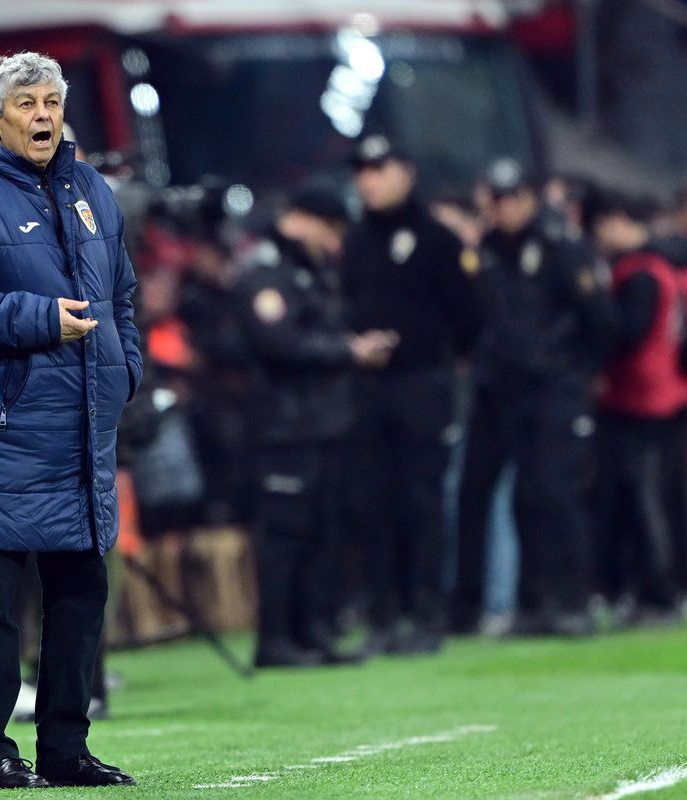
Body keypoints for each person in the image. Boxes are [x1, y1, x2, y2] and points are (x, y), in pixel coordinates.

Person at [0, 52, 141, 790]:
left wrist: (122, 369)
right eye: (26, 104)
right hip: (3, 429)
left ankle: (66, 749)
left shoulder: (88, 188)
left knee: (79, 594)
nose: (43, 115)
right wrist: (42, 319)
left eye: (51, 101)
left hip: (80, 428)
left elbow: (124, 297)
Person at [237, 187, 396, 667]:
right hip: (285, 428)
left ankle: (315, 632)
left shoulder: (311, 273)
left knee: (323, 532)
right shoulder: (265, 275)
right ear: (301, 220)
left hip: (325, 423)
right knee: (285, 534)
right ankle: (277, 639)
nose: (334, 244)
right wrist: (349, 352)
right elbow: (279, 344)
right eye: (329, 231)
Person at [454, 159, 613, 637]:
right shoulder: (487, 250)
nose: (502, 208)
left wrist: (579, 372)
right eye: (495, 198)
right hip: (505, 391)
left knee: (556, 495)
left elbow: (601, 321)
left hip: (555, 389)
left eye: (511, 197)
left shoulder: (562, 246)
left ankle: (572, 600)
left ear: (530, 197)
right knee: (522, 497)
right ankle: (532, 600)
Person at [342, 135, 482, 654]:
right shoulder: (355, 241)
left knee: (423, 501)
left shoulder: (440, 240)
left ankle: (427, 615)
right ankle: (382, 616)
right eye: (362, 170)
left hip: (422, 383)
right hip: (368, 388)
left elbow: (470, 317)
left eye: (379, 168)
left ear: (407, 172)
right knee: (371, 503)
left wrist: (430, 353)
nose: (368, 180)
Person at [585, 188, 686, 621]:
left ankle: (659, 591)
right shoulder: (667, 265)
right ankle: (648, 589)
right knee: (647, 498)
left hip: (642, 398)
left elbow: (627, 334)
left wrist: (592, 314)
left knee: (645, 500)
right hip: (663, 394)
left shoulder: (639, 271)